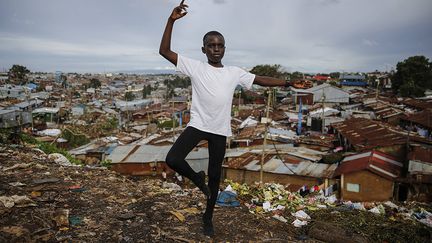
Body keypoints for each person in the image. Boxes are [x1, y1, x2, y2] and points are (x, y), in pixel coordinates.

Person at [160, 0, 294, 236]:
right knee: (173, 158)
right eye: (211, 45)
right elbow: (164, 51)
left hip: (220, 130)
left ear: (225, 48)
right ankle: (196, 179)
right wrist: (171, 21)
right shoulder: (195, 67)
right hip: (198, 125)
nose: (216, 49)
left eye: (220, 45)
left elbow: (261, 79)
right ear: (204, 49)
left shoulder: (234, 73)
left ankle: (208, 217)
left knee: (215, 177)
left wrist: (289, 82)